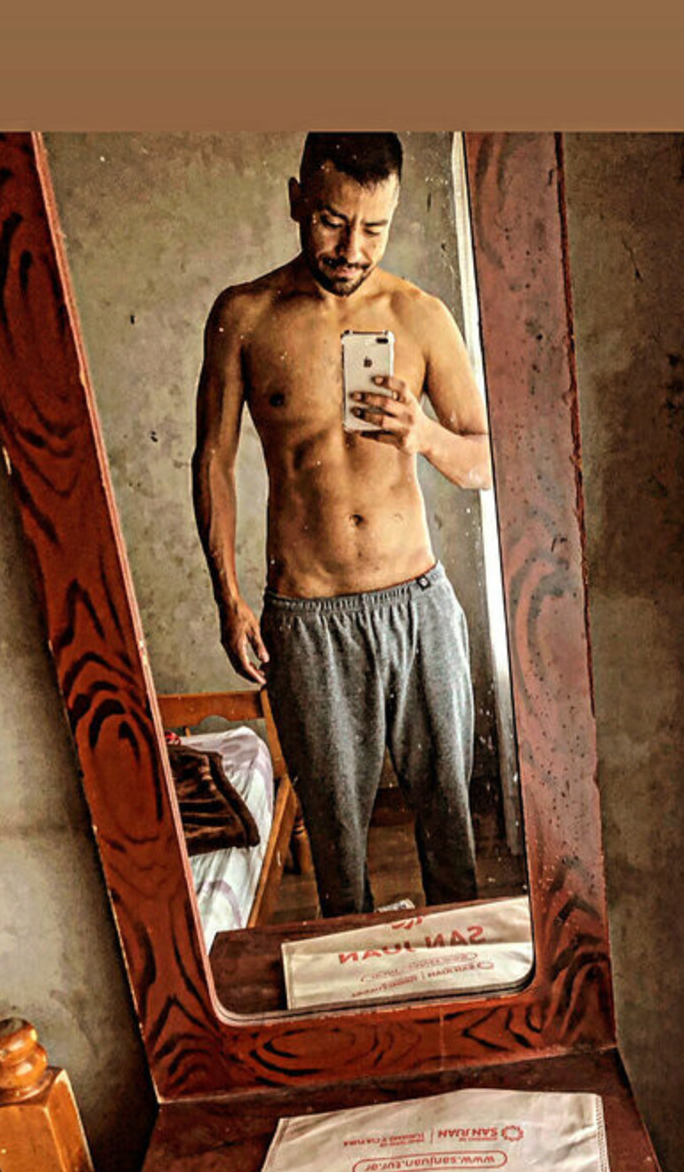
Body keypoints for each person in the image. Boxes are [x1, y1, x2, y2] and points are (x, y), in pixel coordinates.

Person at [191, 132, 493, 918]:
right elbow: (213, 459)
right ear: (298, 200)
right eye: (332, 221)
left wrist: (422, 435)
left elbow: (490, 460)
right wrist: (229, 598)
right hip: (309, 615)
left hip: (417, 606)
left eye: (374, 228)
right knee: (337, 849)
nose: (352, 249)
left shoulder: (418, 316)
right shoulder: (245, 316)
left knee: (450, 829)